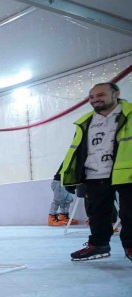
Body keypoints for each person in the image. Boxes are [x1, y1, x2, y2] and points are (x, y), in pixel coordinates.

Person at [62, 83, 132, 262]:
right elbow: (78, 149)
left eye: (100, 95)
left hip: (127, 173)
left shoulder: (129, 114)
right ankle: (99, 245)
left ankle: (130, 246)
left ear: (116, 93)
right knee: (97, 213)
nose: (95, 100)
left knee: (129, 212)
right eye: (91, 97)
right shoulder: (85, 121)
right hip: (95, 174)